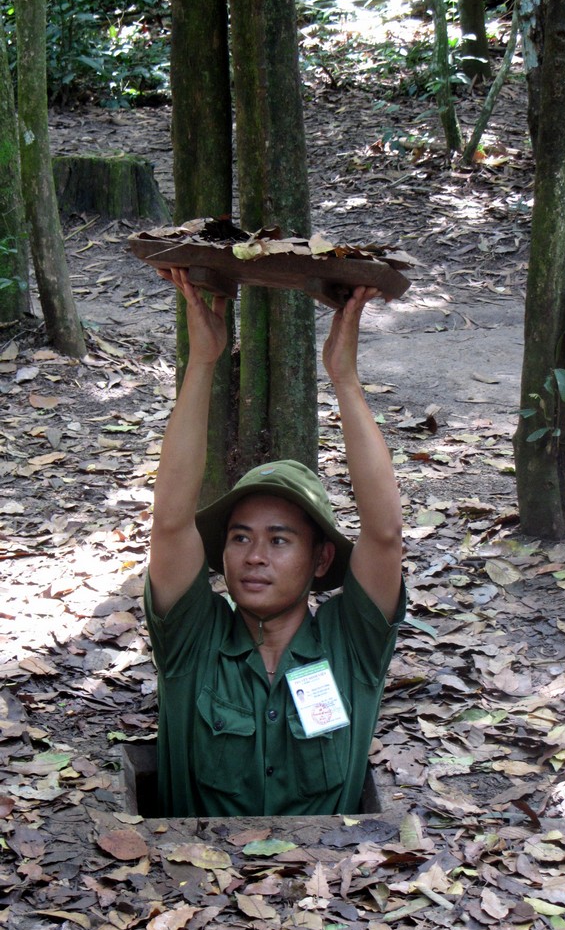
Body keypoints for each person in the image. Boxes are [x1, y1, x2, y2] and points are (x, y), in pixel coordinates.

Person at [144, 268, 405, 817]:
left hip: (329, 874)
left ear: (322, 558)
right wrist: (203, 362)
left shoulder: (350, 645)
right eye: (239, 537)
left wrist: (345, 379)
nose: (254, 556)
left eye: (280, 540)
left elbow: (383, 534)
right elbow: (170, 522)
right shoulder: (194, 640)